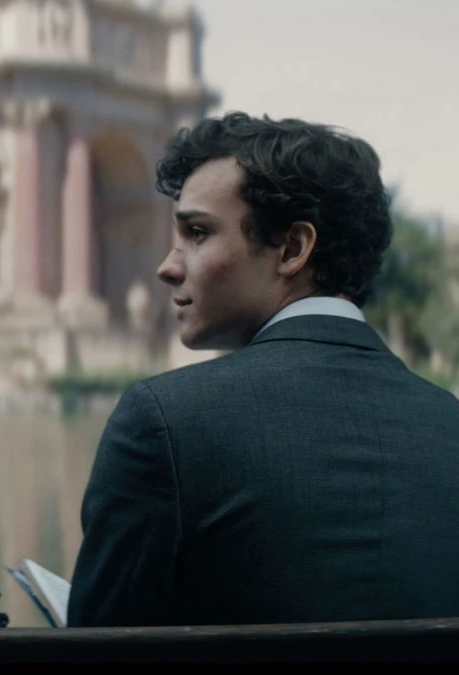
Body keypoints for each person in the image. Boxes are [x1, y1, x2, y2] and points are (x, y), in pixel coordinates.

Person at [67, 112, 459, 628]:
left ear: (292, 249)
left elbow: (95, 647)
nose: (168, 266)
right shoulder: (449, 422)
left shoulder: (164, 422)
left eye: (197, 233)